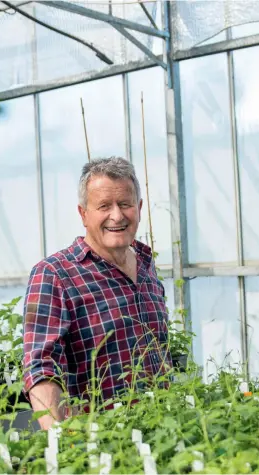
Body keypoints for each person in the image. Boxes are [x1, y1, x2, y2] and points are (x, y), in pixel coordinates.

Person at [23, 157, 172, 430]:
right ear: (83, 214)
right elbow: (42, 367)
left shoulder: (147, 266)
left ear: (139, 208)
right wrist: (61, 445)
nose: (117, 216)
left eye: (125, 204)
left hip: (161, 436)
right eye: (104, 206)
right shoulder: (55, 275)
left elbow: (161, 354)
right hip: (99, 442)